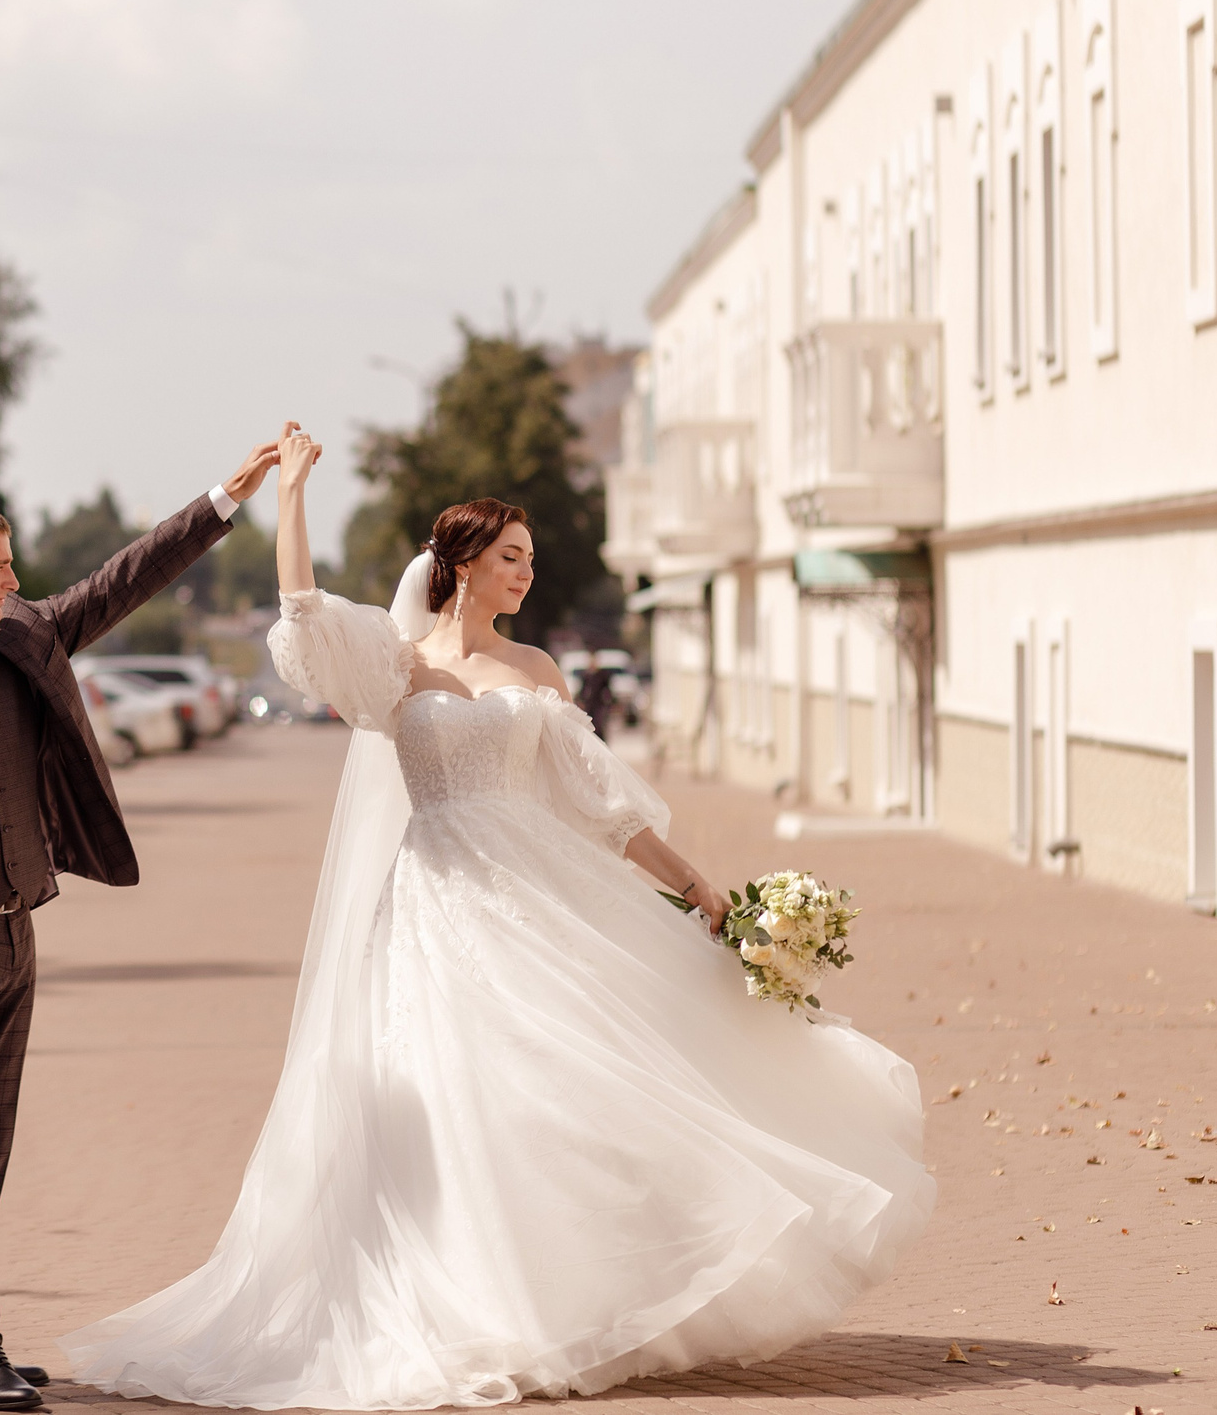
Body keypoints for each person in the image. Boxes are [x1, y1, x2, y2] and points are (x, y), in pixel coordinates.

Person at [61, 421, 932, 1410]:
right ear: (464, 565)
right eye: (512, 556)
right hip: (433, 908)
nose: (527, 571)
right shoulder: (398, 667)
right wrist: (291, 491)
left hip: (535, 898)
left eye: (530, 558)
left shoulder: (538, 672)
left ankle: (562, 1303)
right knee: (454, 1098)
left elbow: (601, 806)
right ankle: (465, 1307)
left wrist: (695, 883)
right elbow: (301, 609)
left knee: (562, 1088)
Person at [0, 438, 282, 1412]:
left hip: (15, 932)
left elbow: (123, 579)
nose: (14, 580)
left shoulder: (23, 635)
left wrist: (223, 498)